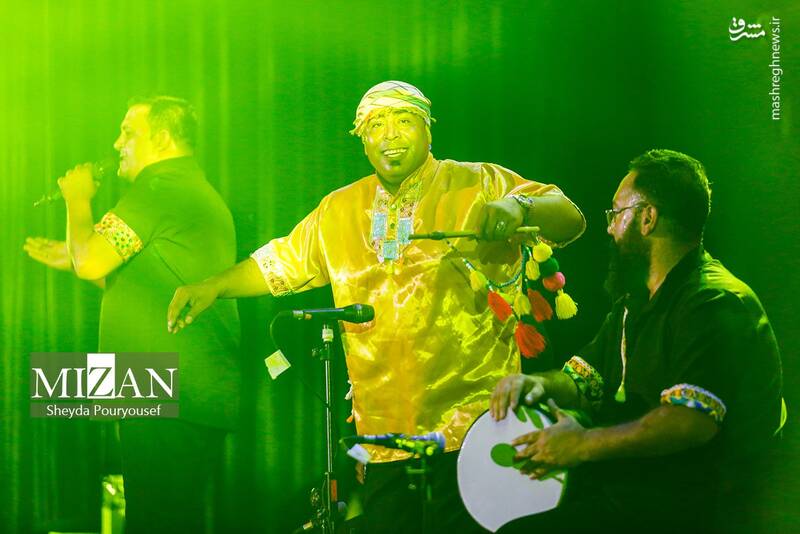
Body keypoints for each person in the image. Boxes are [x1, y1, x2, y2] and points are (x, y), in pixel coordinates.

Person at [166, 80, 585, 531]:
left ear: (428, 130)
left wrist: (520, 207)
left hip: (478, 425)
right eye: (376, 125)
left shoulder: (479, 182)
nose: (390, 135)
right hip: (386, 438)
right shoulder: (339, 209)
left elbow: (570, 218)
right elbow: (279, 262)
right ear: (362, 139)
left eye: (404, 121)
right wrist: (213, 286)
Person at [490, 149, 784, 533]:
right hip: (639, 499)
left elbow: (689, 422)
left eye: (616, 214)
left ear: (647, 218)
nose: (610, 229)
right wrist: (536, 384)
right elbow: (585, 380)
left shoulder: (713, 302)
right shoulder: (637, 302)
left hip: (697, 513)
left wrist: (581, 445)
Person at [24, 96, 241, 533]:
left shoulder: (160, 187)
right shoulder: (182, 187)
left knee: (157, 522)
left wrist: (77, 199)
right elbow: (130, 276)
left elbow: (91, 261)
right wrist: (73, 255)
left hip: (168, 386)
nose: (116, 142)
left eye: (127, 131)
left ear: (161, 138)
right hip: (175, 388)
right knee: (165, 519)